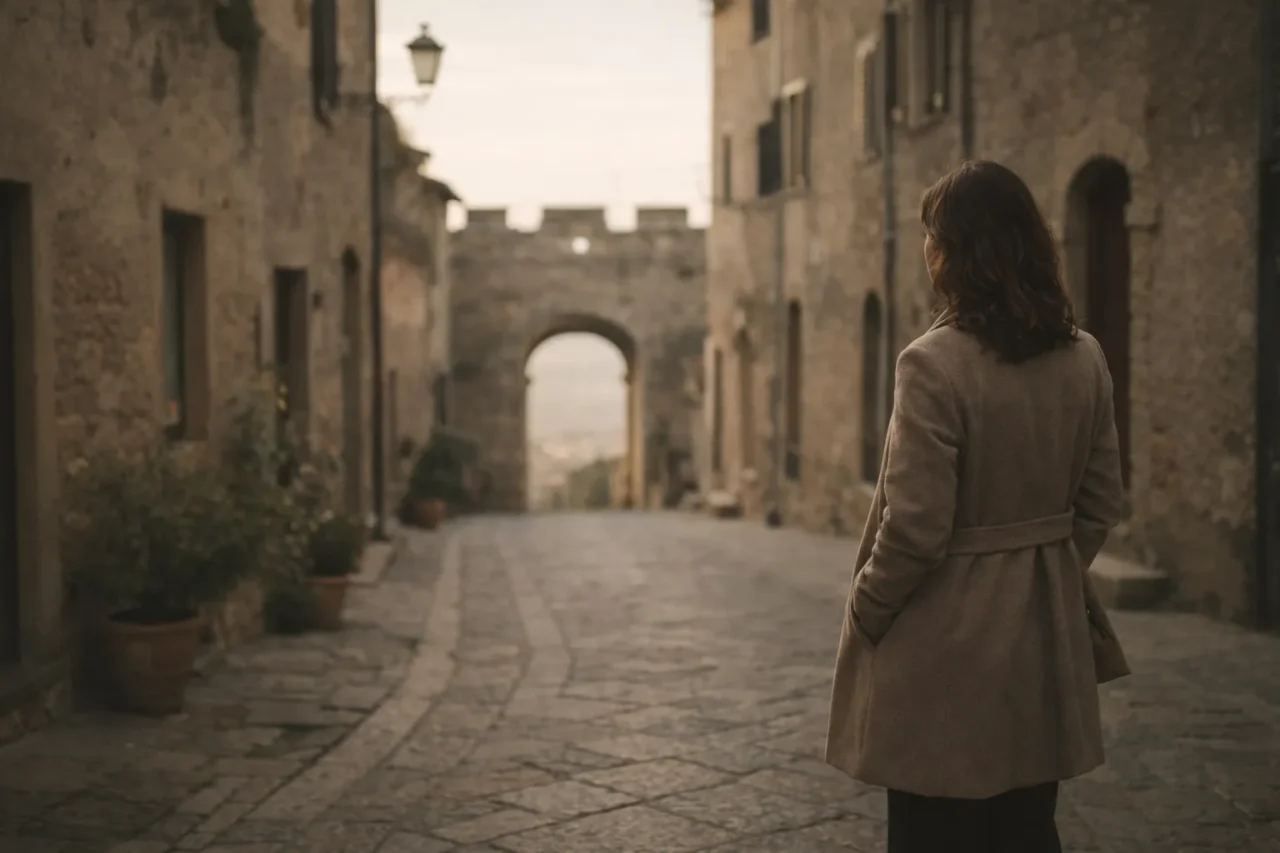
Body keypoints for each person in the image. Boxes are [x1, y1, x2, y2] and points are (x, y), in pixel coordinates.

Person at [824, 160, 1131, 853]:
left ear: (952, 252)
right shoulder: (1084, 356)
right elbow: (1101, 500)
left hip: (944, 641)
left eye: (932, 236)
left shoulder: (932, 363)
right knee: (1025, 825)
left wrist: (868, 606)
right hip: (1042, 633)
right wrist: (1044, 571)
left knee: (933, 827)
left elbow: (916, 525)